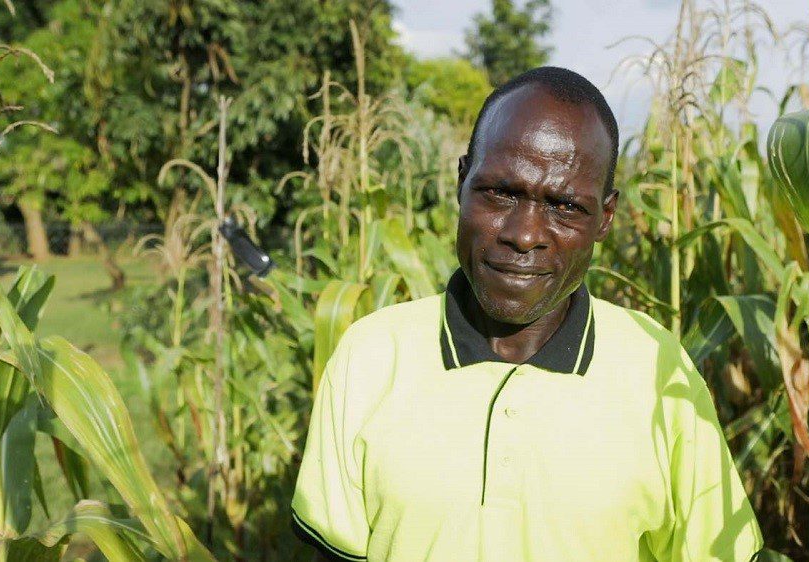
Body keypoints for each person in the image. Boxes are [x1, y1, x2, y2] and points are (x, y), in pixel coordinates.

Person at [290, 66, 763, 562]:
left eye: (564, 206)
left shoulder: (660, 370)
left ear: (605, 218)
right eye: (500, 193)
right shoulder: (371, 356)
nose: (524, 233)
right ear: (461, 182)